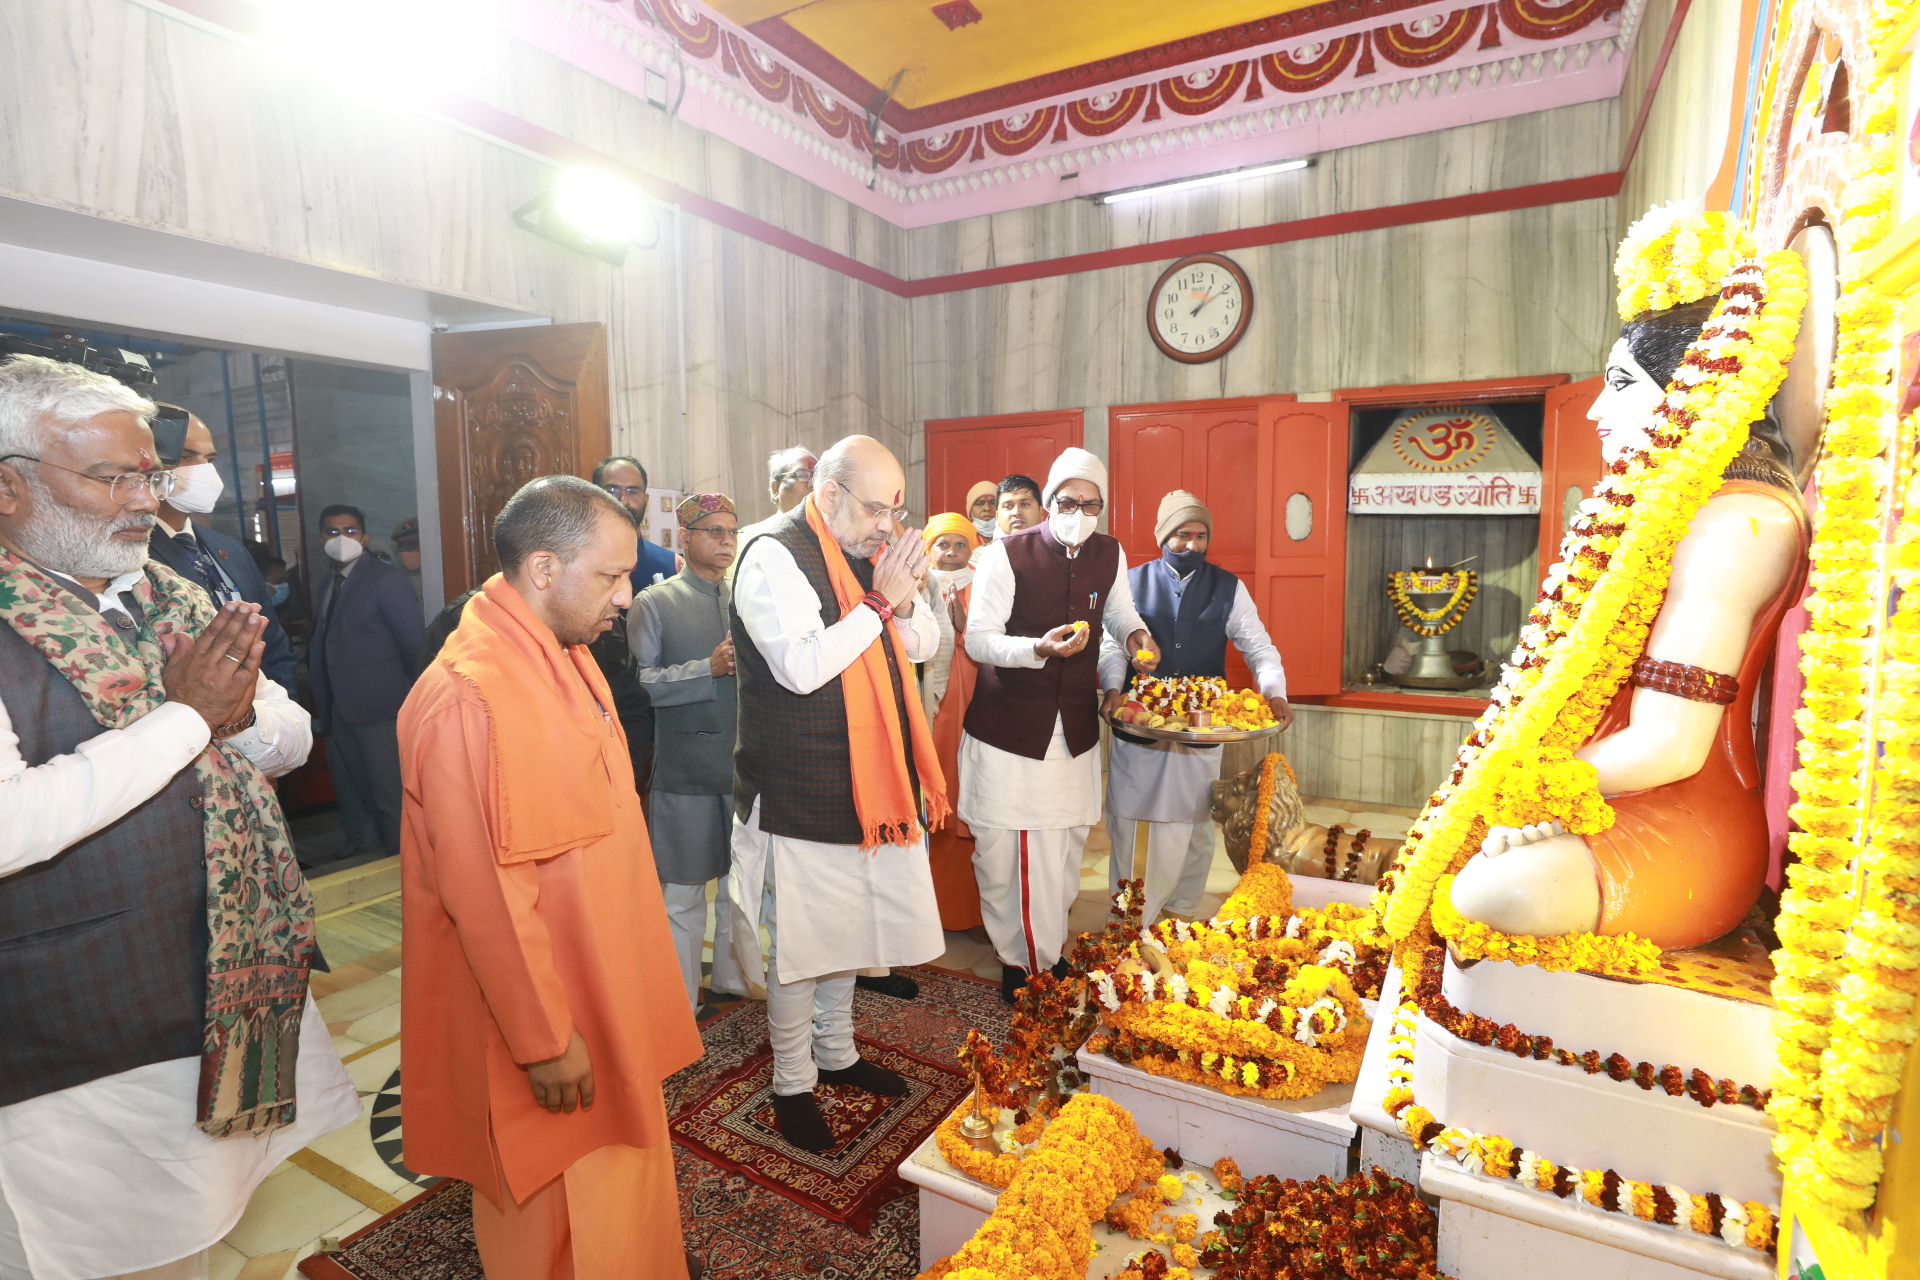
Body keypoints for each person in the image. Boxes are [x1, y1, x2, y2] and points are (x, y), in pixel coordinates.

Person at [0, 355, 357, 1280]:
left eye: (146, 474)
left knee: (217, 1221)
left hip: (230, 977)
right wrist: (187, 718)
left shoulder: (172, 593)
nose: (139, 498)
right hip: (84, 1022)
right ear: (7, 486)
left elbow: (289, 733)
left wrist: (233, 718)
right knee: (124, 1253)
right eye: (109, 476)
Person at [400, 474, 703, 1280]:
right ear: (543, 569)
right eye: (610, 577)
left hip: (603, 973)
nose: (626, 596)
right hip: (547, 1008)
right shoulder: (470, 695)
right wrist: (542, 1039)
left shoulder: (567, 654)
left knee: (621, 1164)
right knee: (555, 1194)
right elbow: (485, 892)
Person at [727, 434, 947, 1152]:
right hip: (798, 785)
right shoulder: (772, 554)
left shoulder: (860, 556)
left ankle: (837, 1052)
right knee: (802, 945)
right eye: (879, 509)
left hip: (868, 784)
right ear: (829, 495)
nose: (888, 524)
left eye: (897, 510)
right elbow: (800, 668)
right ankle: (793, 1082)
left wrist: (902, 598)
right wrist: (882, 600)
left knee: (847, 933)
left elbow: (918, 649)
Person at [962, 448, 1159, 1003]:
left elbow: (1118, 614)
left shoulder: (1109, 552)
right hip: (1010, 729)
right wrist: (1036, 649)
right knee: (1013, 854)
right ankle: (1021, 965)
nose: (1078, 511)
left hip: (1071, 728)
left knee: (1064, 848)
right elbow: (979, 638)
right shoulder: (1007, 554)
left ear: (1102, 506)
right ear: (1048, 502)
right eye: (1067, 501)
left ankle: (1046, 951)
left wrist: (1137, 636)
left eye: (1090, 503)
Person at [1099, 491, 1291, 925]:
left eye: (1200, 536)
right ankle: (1129, 918)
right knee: (1132, 820)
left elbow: (1258, 646)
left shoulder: (1227, 587)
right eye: (1182, 535)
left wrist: (1274, 689)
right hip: (1139, 725)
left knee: (1193, 823)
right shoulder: (1129, 582)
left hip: (1200, 727)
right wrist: (1112, 688)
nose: (1192, 544)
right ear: (1163, 535)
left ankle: (1179, 913)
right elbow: (1111, 646)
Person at [628, 493, 747, 1011]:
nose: (725, 541)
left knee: (738, 893)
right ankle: (680, 1004)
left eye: (731, 531)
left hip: (744, 770)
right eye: (713, 531)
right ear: (684, 538)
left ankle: (731, 980)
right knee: (683, 896)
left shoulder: (745, 600)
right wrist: (707, 668)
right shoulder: (653, 603)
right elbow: (638, 688)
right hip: (686, 772)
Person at [144, 405, 298, 697]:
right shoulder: (132, 554)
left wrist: (284, 716)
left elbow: (275, 645)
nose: (205, 470)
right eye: (187, 456)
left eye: (210, 459)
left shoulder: (230, 549)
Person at [309, 503, 425, 858]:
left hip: (382, 706)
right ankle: (369, 849)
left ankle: (401, 869)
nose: (341, 539)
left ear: (365, 537)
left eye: (350, 531)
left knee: (390, 798)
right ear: (320, 538)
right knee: (358, 791)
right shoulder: (327, 582)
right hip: (339, 707)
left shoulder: (386, 579)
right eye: (332, 532)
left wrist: (406, 697)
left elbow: (414, 645)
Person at [921, 512, 984, 932]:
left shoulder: (983, 583)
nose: (951, 553)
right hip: (922, 708)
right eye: (943, 544)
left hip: (968, 711)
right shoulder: (912, 583)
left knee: (964, 804)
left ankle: (970, 912)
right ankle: (928, 914)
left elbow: (991, 649)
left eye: (960, 544)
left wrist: (965, 630)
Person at [593, 455, 677, 593]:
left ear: (646, 500)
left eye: (632, 492)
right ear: (594, 496)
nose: (623, 500)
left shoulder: (672, 565)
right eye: (612, 491)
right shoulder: (572, 560)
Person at [392, 517, 423, 605]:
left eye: (412, 544)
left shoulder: (440, 579)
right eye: (400, 545)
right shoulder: (398, 579)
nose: (404, 550)